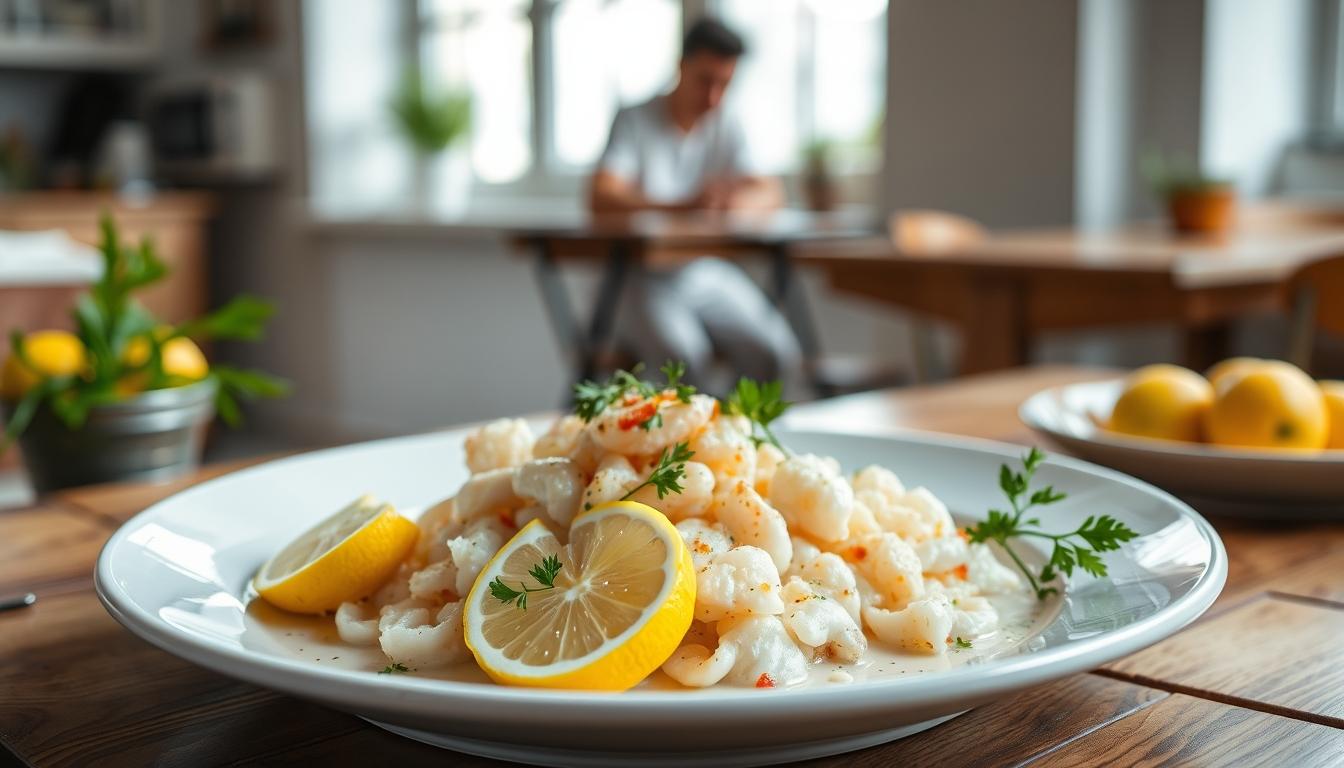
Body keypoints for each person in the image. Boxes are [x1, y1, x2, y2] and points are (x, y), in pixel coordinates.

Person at [589, 17, 801, 389]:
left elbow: (772, 192)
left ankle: (737, 440)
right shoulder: (635, 119)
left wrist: (733, 203)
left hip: (704, 272)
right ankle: (698, 442)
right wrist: (681, 206)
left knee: (776, 352)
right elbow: (601, 196)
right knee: (686, 360)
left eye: (725, 84)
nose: (714, 97)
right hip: (641, 277)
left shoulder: (726, 123)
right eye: (706, 81)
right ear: (681, 67)